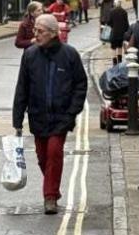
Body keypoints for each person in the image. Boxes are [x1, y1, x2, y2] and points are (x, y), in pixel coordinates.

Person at [12, 14, 88, 214]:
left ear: (54, 33)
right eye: (35, 30)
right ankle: (52, 186)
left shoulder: (70, 55)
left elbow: (80, 85)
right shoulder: (29, 55)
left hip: (61, 117)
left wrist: (72, 113)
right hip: (37, 116)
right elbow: (22, 88)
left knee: (54, 153)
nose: (35, 34)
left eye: (40, 31)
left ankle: (50, 197)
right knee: (42, 157)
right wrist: (17, 119)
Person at [107, 0, 131, 64]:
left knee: (113, 48)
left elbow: (109, 22)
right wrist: (126, 31)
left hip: (114, 33)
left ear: (115, 4)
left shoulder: (111, 12)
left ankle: (114, 63)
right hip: (121, 33)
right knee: (120, 47)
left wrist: (112, 26)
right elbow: (127, 24)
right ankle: (120, 61)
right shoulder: (124, 12)